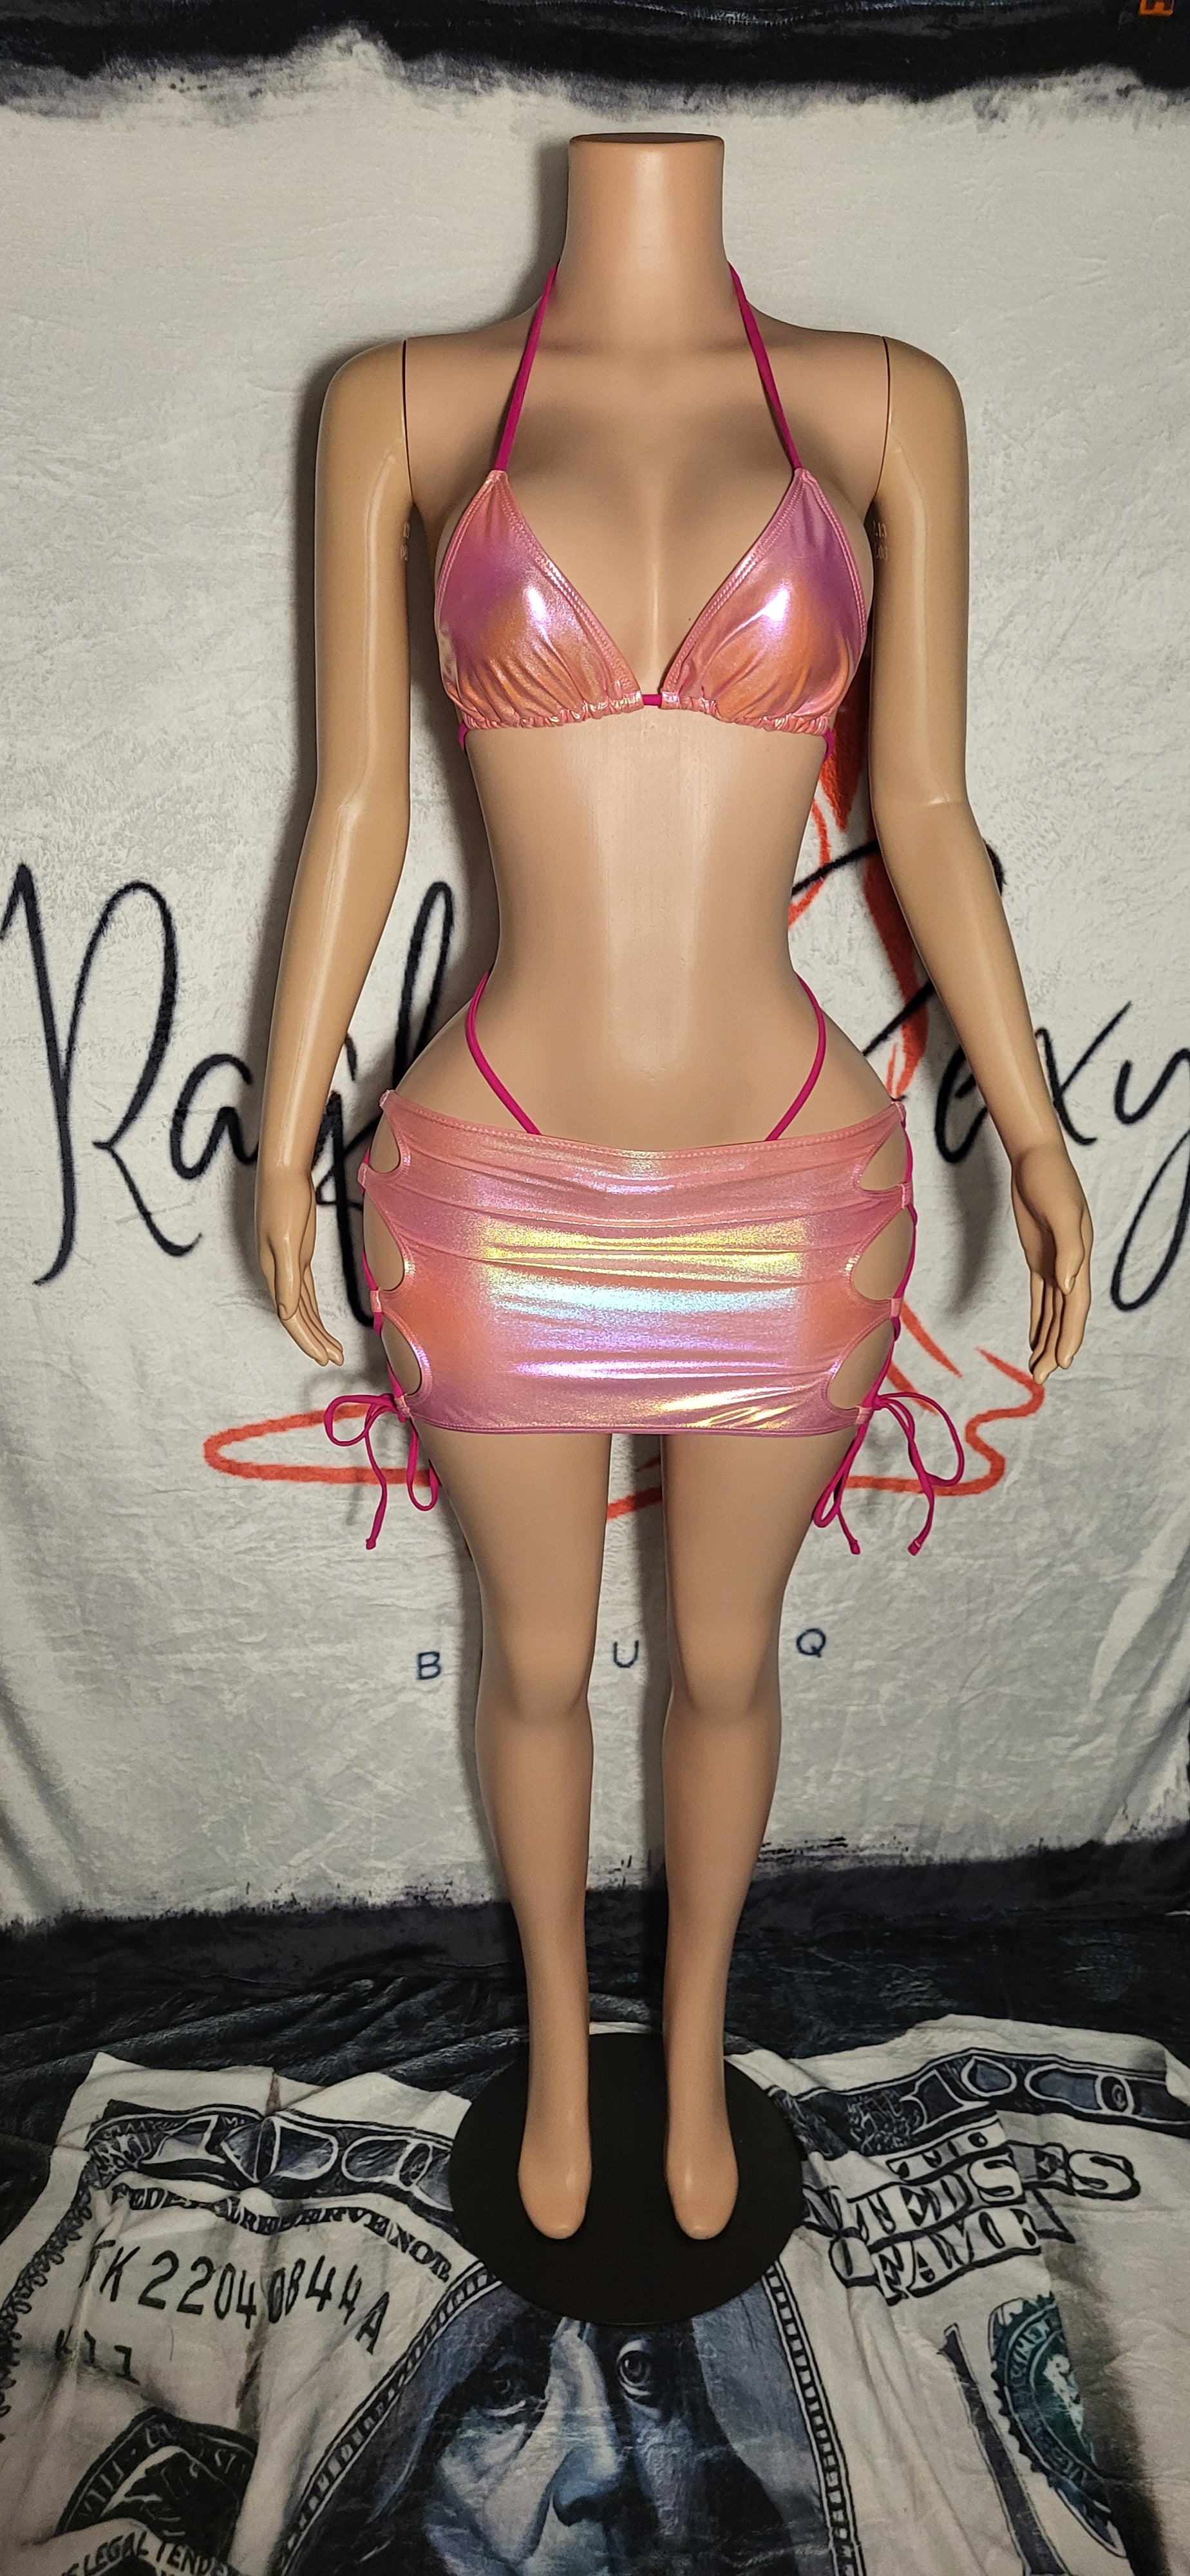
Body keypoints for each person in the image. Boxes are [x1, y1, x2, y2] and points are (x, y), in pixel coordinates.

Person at [256, 133, 1092, 2244]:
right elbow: (353, 799)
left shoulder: (882, 403)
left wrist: (1038, 1127)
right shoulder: (405, 403)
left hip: (792, 1187)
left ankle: (698, 2048)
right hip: (488, 1184)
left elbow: (927, 804)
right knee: (532, 1661)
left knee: (726, 1663)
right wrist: (284, 1121)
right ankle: (559, 2054)